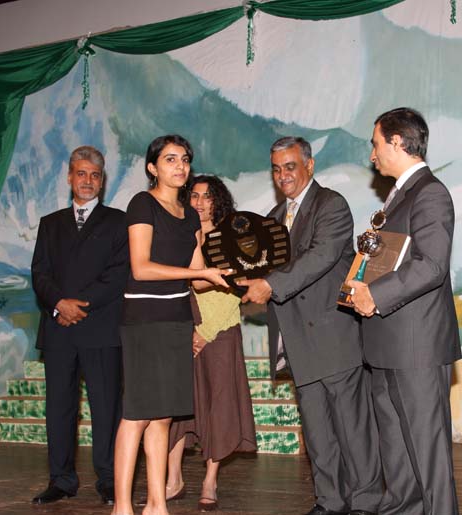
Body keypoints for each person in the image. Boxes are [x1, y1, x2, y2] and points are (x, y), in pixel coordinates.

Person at [238, 137, 383, 515]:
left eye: (290, 166)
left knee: (353, 428)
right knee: (317, 431)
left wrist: (269, 284)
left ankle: (365, 502)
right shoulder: (271, 219)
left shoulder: (331, 204)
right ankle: (329, 501)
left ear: (310, 165)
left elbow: (319, 256)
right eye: (276, 168)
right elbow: (259, 267)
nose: (283, 174)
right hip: (297, 340)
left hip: (334, 333)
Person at [346, 107, 461, 515]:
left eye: (376, 144)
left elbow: (432, 265)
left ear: (397, 142)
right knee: (397, 458)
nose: (372, 155)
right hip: (387, 345)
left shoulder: (430, 192)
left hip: (416, 348)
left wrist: (374, 295)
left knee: (428, 459)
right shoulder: (399, 195)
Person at [111, 135, 229, 515]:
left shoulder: (190, 215)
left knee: (162, 417)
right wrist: (200, 272)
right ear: (152, 167)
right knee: (137, 414)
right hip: (145, 320)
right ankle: (123, 507)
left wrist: (229, 273)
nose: (180, 167)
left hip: (179, 319)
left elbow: (194, 277)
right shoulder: (142, 204)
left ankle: (157, 504)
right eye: (170, 159)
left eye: (185, 160)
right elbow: (141, 268)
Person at [31, 145, 127, 506]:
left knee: (106, 409)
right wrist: (59, 304)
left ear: (102, 182)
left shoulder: (119, 222)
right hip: (58, 329)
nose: (88, 180)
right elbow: (39, 272)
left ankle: (108, 480)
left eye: (95, 175)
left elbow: (119, 274)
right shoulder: (49, 223)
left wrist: (78, 305)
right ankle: (61, 480)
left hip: (100, 327)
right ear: (70, 177)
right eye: (81, 173)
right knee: (59, 407)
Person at [165, 175, 257, 512]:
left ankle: (209, 480)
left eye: (207, 196)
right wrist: (185, 328)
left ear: (218, 200)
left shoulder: (232, 236)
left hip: (219, 332)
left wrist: (206, 332)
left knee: (219, 404)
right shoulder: (179, 235)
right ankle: (173, 478)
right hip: (182, 328)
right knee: (177, 406)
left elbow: (236, 291)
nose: (200, 202)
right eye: (194, 196)